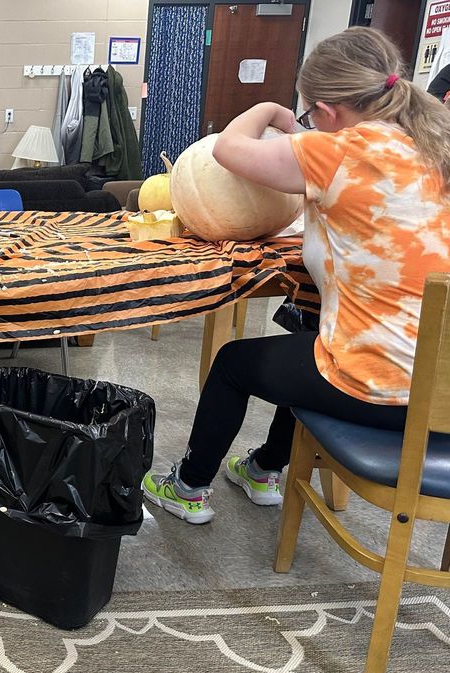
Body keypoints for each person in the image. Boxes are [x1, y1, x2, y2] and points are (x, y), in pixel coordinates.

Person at [142, 27, 450, 525]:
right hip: (444, 397)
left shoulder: (341, 151)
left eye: (311, 115)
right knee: (309, 340)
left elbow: (226, 149)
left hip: (383, 392)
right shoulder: (435, 147)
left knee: (233, 362)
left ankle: (187, 486)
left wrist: (272, 110)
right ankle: (263, 467)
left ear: (326, 113)